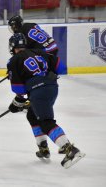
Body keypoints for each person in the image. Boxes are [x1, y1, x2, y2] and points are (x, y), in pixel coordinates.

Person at [6, 33, 85, 169]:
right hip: (52, 87)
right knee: (32, 114)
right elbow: (60, 67)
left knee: (45, 122)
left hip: (38, 92)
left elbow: (19, 90)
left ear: (12, 47)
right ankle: (43, 148)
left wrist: (16, 104)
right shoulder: (38, 52)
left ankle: (69, 149)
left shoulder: (13, 61)